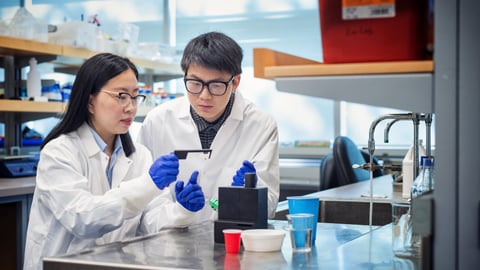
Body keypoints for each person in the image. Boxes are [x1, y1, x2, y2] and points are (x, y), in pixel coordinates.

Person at [23, 53, 204, 270]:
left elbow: (150, 221)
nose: (131, 107)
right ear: (90, 101)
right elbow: (82, 219)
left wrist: (182, 210)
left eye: (135, 96)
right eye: (121, 96)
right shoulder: (59, 152)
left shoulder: (140, 155)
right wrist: (148, 184)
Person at [137, 31, 280, 232]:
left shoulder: (260, 125)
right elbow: (142, 206)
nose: (204, 96)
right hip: (169, 246)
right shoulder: (157, 121)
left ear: (235, 82)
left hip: (231, 244)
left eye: (216, 85)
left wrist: (251, 196)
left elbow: (270, 205)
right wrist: (178, 212)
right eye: (195, 83)